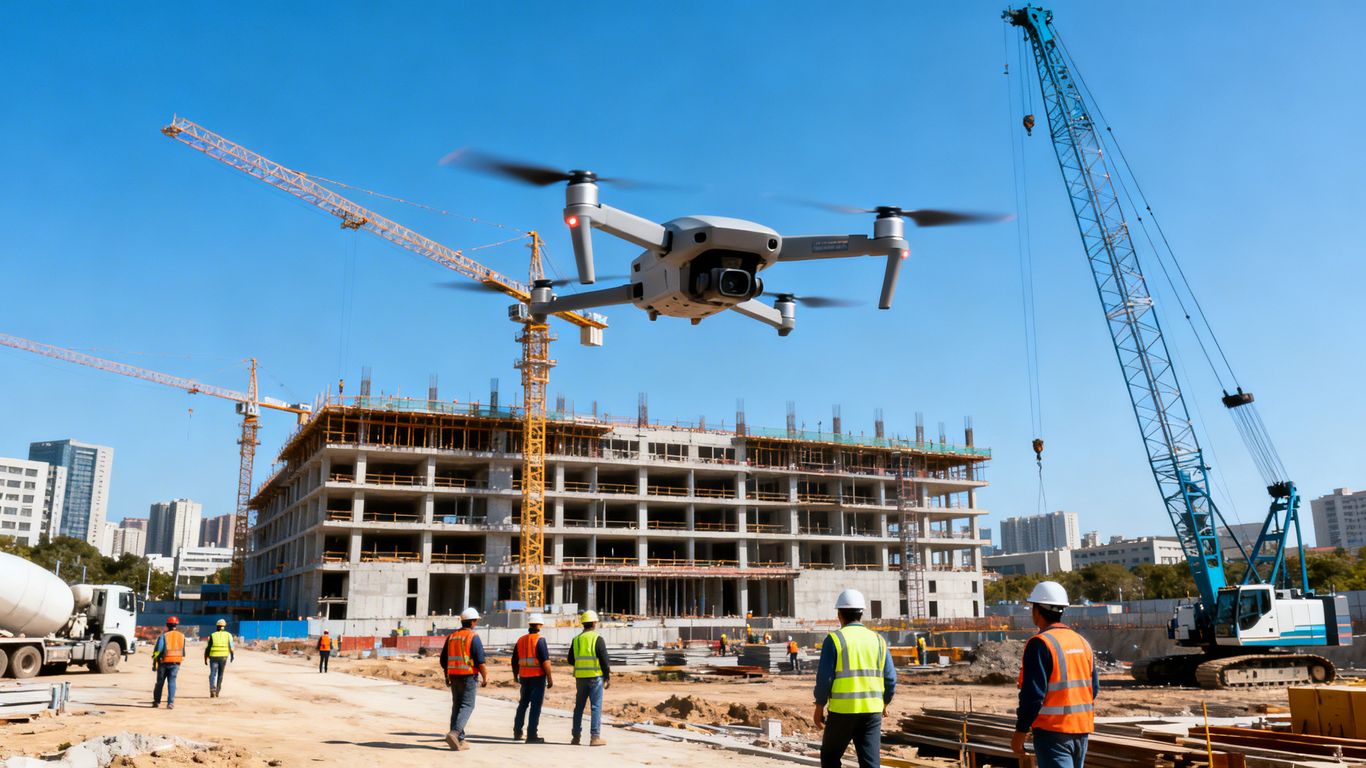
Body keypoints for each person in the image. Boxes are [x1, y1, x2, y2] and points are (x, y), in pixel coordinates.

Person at [1011, 581, 1098, 768]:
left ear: (1037, 610)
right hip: (1081, 731)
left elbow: (1033, 695)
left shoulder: (1040, 643)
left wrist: (1020, 733)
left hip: (1052, 733)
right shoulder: (1082, 642)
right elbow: (1093, 689)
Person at [812, 589, 896, 768]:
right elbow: (890, 679)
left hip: (842, 712)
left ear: (839, 614)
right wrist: (884, 703)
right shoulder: (879, 640)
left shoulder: (834, 640)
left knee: (830, 758)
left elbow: (825, 679)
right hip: (872, 712)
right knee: (870, 764)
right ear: (861, 613)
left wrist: (819, 706)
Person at [441, 607, 487, 751]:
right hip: (468, 676)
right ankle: (455, 733)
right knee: (467, 705)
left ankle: (459, 739)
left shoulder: (451, 637)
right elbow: (480, 661)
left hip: (454, 676)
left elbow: (443, 660)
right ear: (472, 622)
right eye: (476, 621)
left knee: (457, 705)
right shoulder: (473, 637)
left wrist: (447, 675)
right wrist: (485, 677)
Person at [569, 610, 611, 747]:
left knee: (579, 708)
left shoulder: (576, 640)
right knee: (595, 707)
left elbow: (570, 659)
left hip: (580, 678)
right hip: (595, 677)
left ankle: (576, 737)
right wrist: (607, 676)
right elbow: (604, 660)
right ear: (594, 623)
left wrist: (581, 664)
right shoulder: (597, 638)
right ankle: (595, 737)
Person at [512, 613, 554, 743]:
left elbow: (514, 661)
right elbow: (545, 662)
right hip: (537, 678)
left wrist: (515, 676)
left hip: (524, 677)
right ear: (540, 625)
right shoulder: (539, 640)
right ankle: (531, 735)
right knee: (535, 706)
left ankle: (517, 732)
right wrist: (550, 678)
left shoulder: (521, 640)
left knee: (523, 704)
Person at [151, 616, 186, 709]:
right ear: (176, 625)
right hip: (176, 662)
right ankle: (170, 703)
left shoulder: (164, 636)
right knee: (172, 682)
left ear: (167, 625)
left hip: (164, 662)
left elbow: (158, 650)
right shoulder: (182, 636)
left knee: (160, 682)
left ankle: (157, 701)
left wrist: (154, 661)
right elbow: (183, 650)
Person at [204, 619, 234, 698]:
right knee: (220, 674)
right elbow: (231, 647)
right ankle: (217, 691)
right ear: (224, 626)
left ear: (217, 626)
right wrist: (232, 656)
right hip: (223, 658)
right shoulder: (228, 635)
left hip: (213, 657)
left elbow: (208, 648)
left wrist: (205, 658)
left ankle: (212, 689)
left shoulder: (212, 635)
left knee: (213, 674)